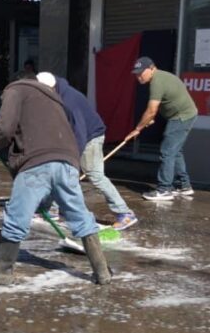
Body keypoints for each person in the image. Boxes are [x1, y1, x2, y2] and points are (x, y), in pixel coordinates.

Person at [0, 75, 112, 285]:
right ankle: (102, 271)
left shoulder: (15, 89)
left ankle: (2, 271)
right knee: (80, 215)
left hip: (36, 162)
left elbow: (5, 129)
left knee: (16, 216)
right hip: (68, 161)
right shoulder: (55, 98)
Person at [36, 71, 137, 231]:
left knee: (94, 175)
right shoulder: (57, 93)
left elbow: (80, 133)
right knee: (58, 170)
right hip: (74, 136)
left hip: (90, 137)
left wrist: (72, 157)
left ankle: (124, 213)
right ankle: (50, 209)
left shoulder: (69, 101)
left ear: (50, 88)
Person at [126, 56, 198, 201]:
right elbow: (165, 101)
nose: (138, 77)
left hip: (181, 117)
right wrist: (150, 118)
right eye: (136, 74)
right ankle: (184, 186)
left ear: (151, 68)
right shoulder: (161, 77)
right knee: (175, 151)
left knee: (167, 152)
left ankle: (164, 190)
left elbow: (151, 110)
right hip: (185, 114)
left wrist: (137, 129)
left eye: (141, 73)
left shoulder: (157, 82)